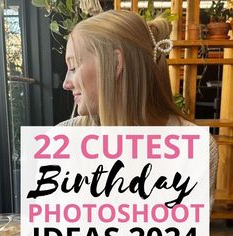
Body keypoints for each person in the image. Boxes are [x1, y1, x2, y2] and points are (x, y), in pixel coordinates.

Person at [60, 9, 218, 209]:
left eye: (73, 67)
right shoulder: (63, 139)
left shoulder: (196, 148)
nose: (66, 83)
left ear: (116, 64)